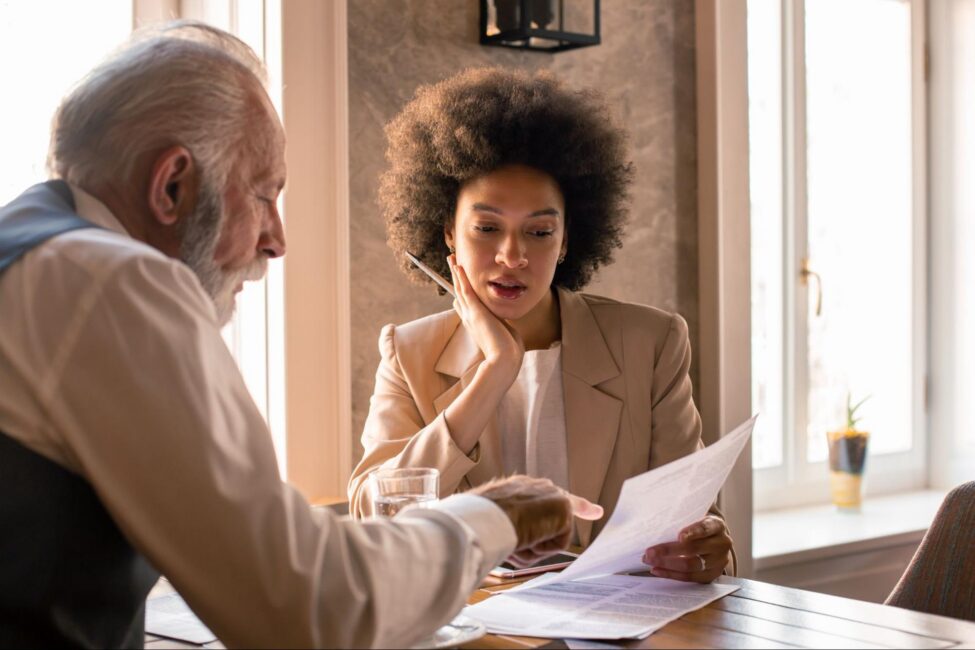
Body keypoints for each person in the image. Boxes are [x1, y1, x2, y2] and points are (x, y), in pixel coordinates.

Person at [0, 23, 602, 648]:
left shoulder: (33, 254)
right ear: (171, 185)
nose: (276, 239)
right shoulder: (114, 284)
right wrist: (498, 516)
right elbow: (305, 607)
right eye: (263, 195)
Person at [348, 67, 736, 582]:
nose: (512, 256)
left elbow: (696, 521)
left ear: (567, 240)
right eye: (487, 228)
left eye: (539, 232)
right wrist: (496, 368)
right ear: (448, 233)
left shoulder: (652, 343)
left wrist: (708, 547)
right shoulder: (408, 352)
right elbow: (374, 514)